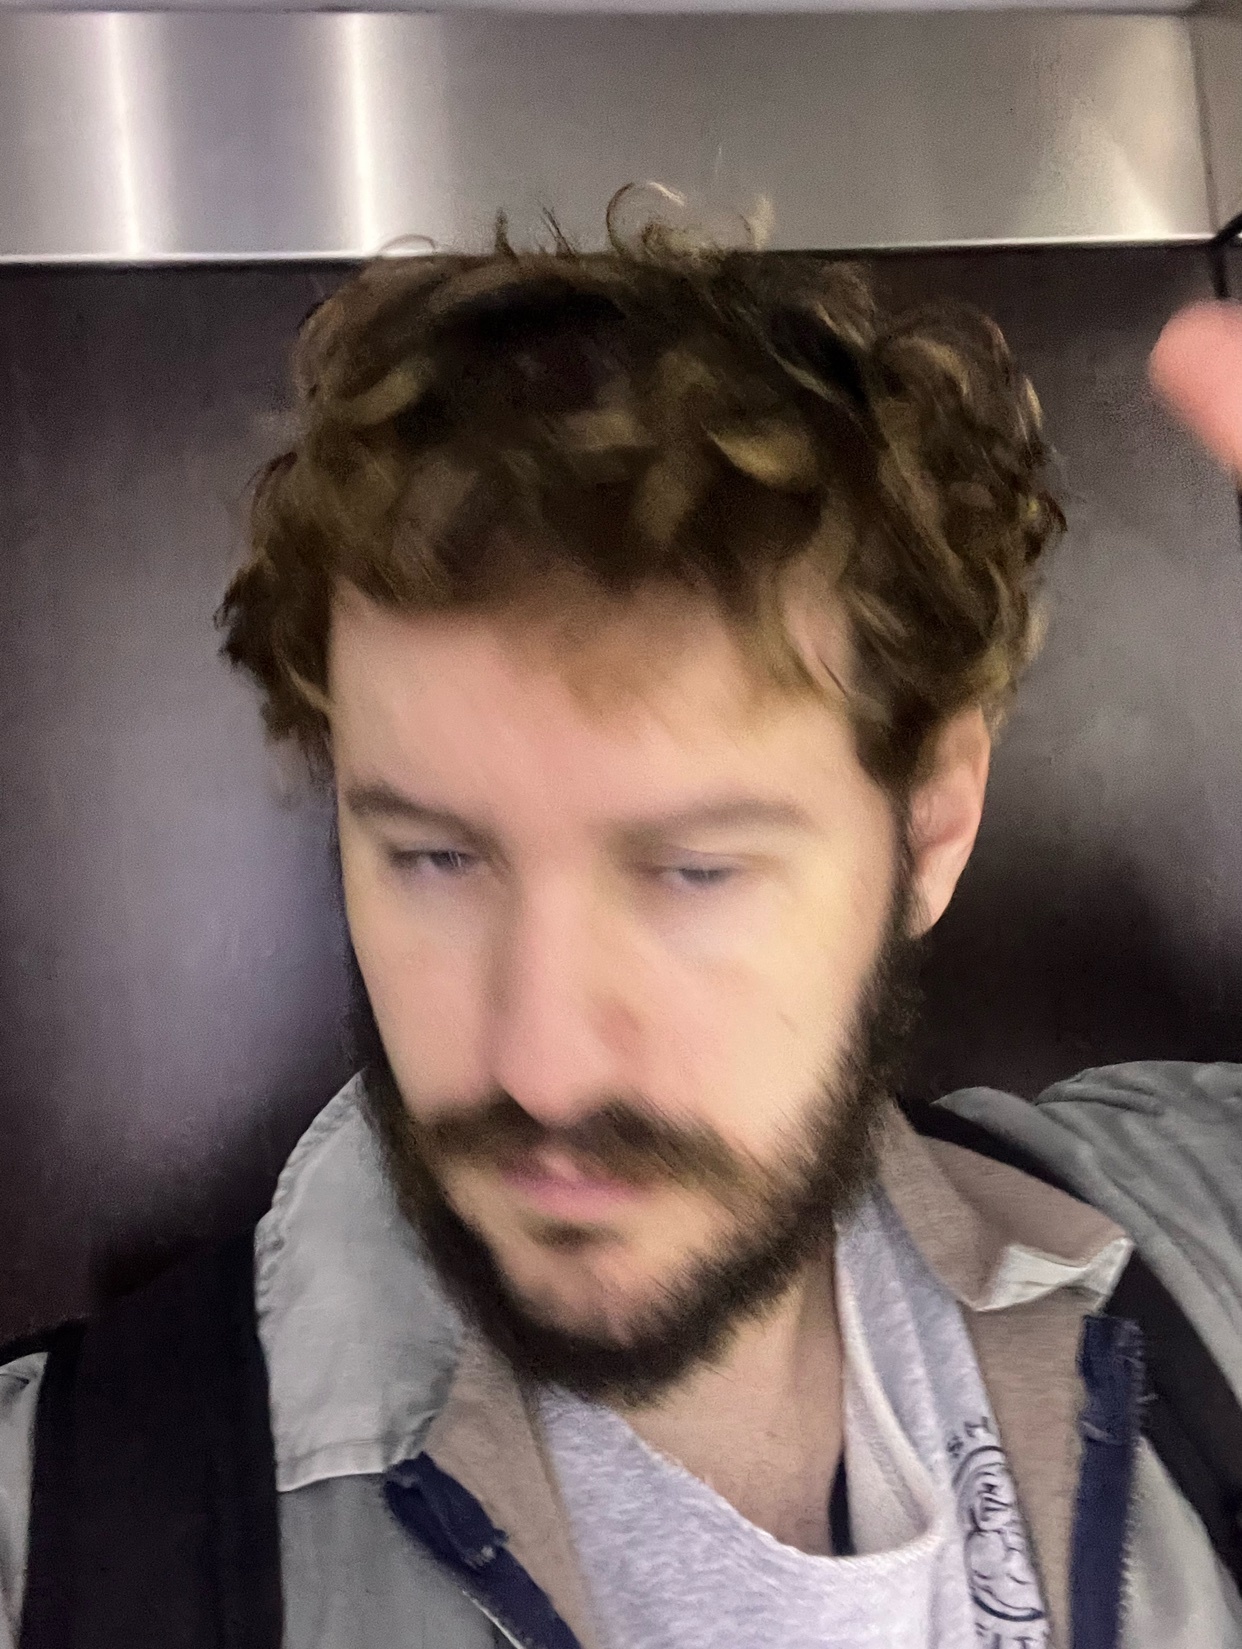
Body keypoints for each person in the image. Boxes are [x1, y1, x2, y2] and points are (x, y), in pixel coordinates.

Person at [2, 200, 1242, 1649]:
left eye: (690, 871)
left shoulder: (1181, 1248)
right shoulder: (72, 1538)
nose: (541, 1066)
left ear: (927, 824)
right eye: (435, 856)